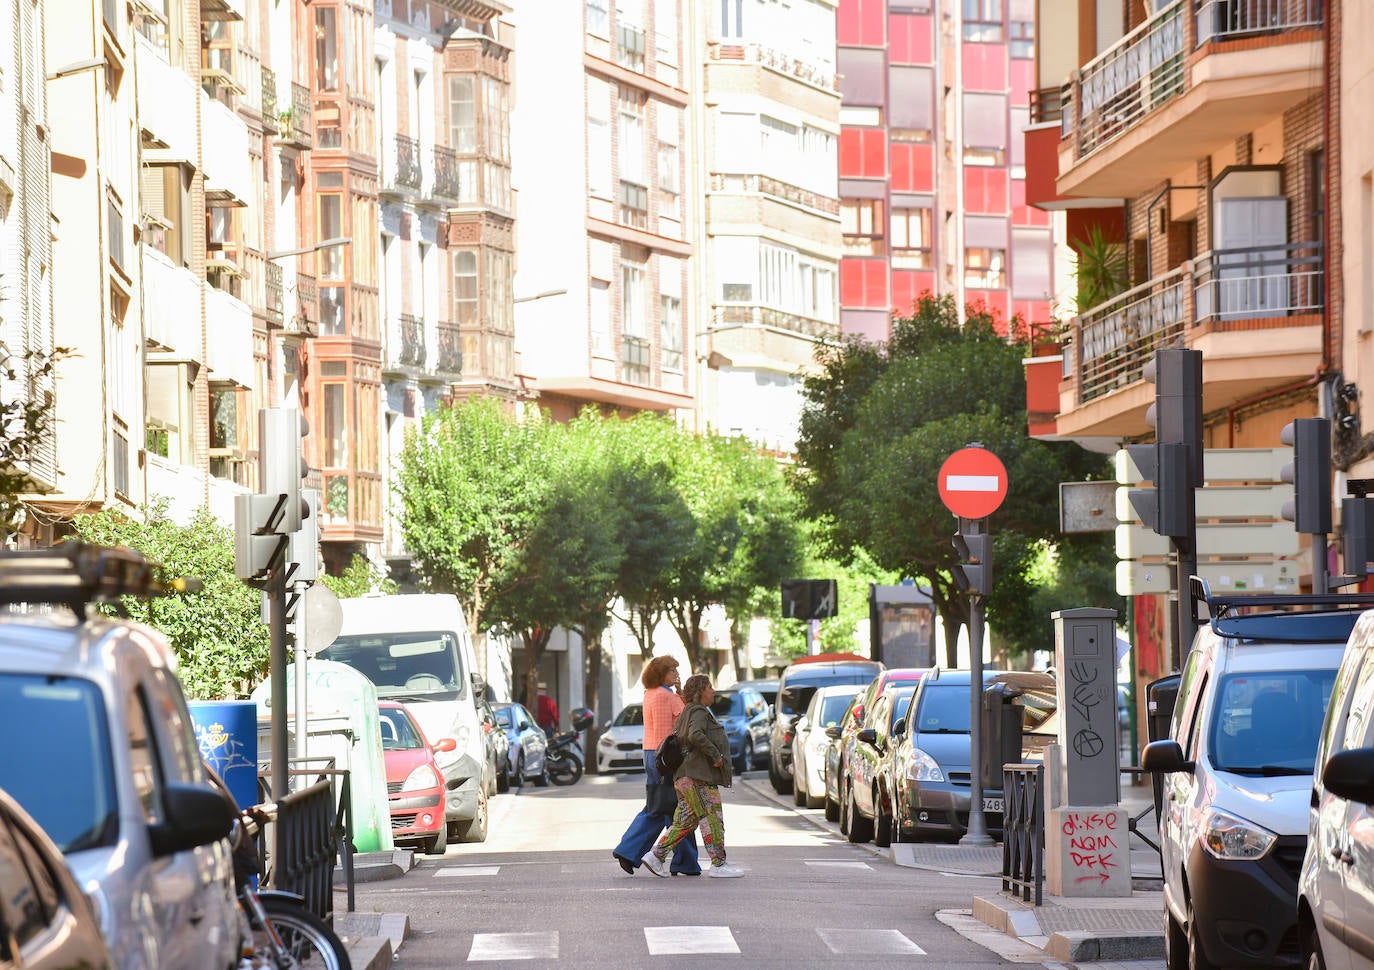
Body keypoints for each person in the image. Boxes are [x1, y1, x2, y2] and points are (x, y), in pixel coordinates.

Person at [642, 674, 744, 878]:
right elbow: (696, 734)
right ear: (700, 692)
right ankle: (718, 864)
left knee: (684, 821)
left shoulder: (688, 710)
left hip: (684, 777)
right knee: (713, 817)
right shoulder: (698, 711)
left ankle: (655, 856)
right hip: (698, 777)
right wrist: (716, 756)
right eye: (709, 687)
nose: (713, 691)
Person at [612, 657, 701, 876]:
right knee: (677, 807)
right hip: (668, 757)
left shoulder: (649, 695)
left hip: (650, 753)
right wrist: (682, 692)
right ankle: (631, 851)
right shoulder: (668, 697)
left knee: (664, 805)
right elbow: (689, 717)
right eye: (672, 671)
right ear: (662, 674)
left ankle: (686, 862)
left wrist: (678, 690)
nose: (676, 675)